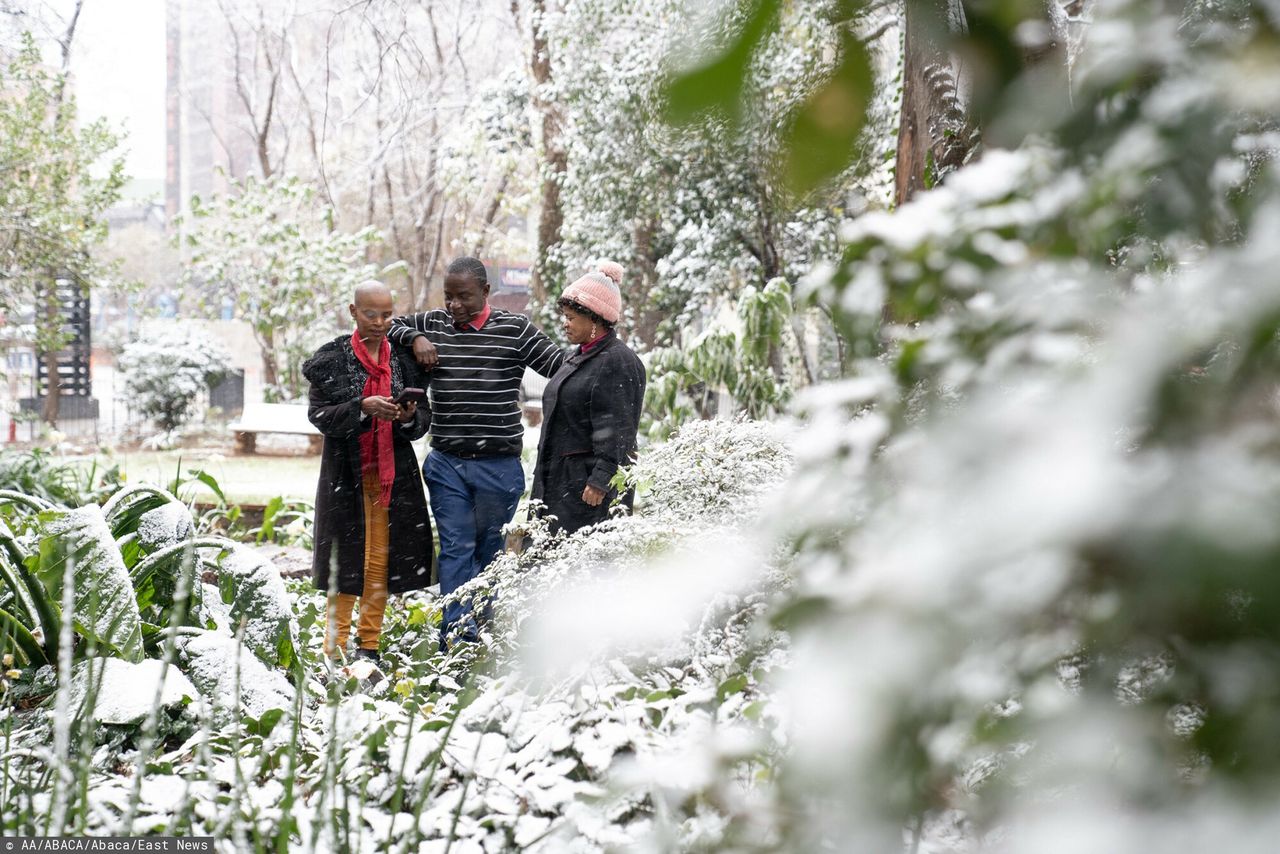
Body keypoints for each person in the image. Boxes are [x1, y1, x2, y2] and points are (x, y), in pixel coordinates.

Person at [387, 257, 566, 649]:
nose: (454, 306)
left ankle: (479, 626)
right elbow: (387, 324)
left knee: (488, 552)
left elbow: (561, 366)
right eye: (448, 296)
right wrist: (414, 339)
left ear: (486, 292)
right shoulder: (432, 324)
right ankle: (455, 637)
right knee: (455, 547)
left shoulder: (514, 330)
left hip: (498, 466)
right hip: (447, 461)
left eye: (464, 297)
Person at [304, 280, 434, 666]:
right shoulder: (331, 360)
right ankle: (334, 645)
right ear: (353, 312)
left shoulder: (404, 361)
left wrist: (407, 417)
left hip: (393, 475)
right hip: (347, 474)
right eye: (370, 313)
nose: (380, 322)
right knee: (345, 562)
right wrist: (362, 407)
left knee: (381, 559)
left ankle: (369, 644)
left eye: (387, 314)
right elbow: (319, 415)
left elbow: (421, 420)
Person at [530, 262, 646, 535]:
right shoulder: (578, 355)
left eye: (571, 317)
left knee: (583, 568)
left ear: (595, 319)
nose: (564, 323)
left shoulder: (619, 361)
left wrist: (601, 479)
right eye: (565, 316)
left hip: (588, 490)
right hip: (561, 480)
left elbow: (620, 429)